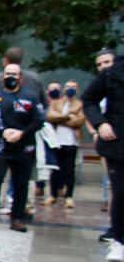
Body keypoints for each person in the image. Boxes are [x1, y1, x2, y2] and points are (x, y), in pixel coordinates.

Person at [0, 63, 43, 232]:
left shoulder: (30, 97)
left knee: (21, 183)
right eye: (7, 74)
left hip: (23, 147)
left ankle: (17, 217)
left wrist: (22, 133)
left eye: (14, 74)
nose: (11, 77)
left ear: (20, 77)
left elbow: (39, 121)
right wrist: (2, 133)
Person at [83, 51, 124, 262]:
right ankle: (119, 240)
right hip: (118, 143)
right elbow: (88, 99)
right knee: (120, 192)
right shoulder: (112, 74)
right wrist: (101, 123)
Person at [43, 80, 83, 208]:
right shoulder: (56, 102)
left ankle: (69, 197)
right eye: (67, 86)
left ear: (77, 89)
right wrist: (68, 116)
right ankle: (52, 195)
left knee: (69, 170)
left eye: (73, 87)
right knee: (55, 170)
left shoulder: (80, 104)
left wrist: (60, 118)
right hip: (56, 141)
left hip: (72, 141)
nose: (70, 89)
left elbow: (79, 121)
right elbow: (49, 116)